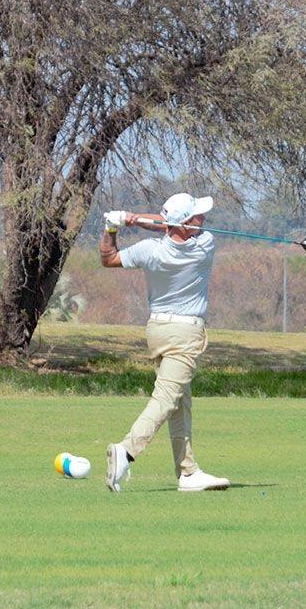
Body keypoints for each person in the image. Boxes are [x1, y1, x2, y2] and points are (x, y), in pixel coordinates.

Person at [98, 192, 231, 493]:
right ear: (185, 224)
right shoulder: (204, 245)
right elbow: (167, 225)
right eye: (197, 217)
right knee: (167, 398)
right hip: (185, 335)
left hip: (157, 329)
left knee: (179, 402)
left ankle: (188, 472)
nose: (203, 220)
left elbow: (109, 259)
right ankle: (126, 451)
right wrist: (137, 218)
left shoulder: (149, 251)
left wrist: (114, 226)